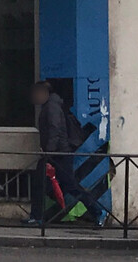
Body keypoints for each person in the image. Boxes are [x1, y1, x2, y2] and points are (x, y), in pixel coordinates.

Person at [27, 80, 110, 227]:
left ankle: (97, 211)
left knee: (57, 185)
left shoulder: (51, 107)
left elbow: (54, 130)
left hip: (56, 154)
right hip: (59, 153)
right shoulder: (52, 105)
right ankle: (37, 216)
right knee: (58, 185)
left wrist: (48, 152)